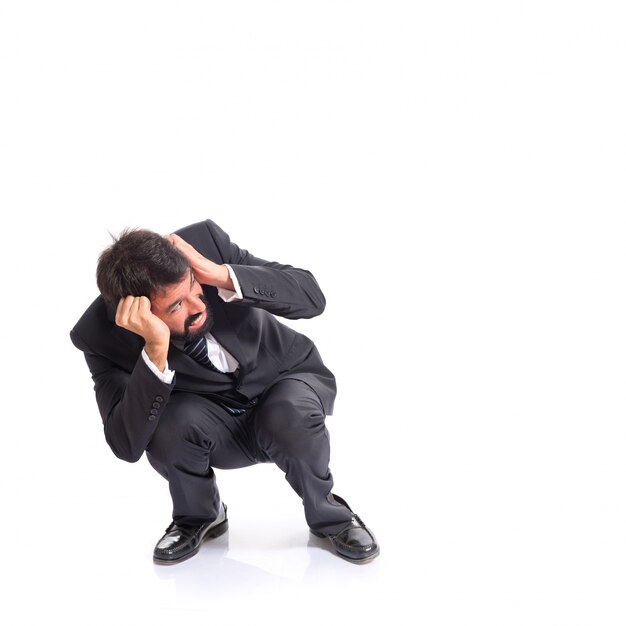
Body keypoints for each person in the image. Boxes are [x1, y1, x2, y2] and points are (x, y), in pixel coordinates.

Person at [70, 218, 379, 565]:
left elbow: (312, 298)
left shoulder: (204, 244)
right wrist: (154, 348)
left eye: (192, 286)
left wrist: (220, 274)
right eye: (175, 307)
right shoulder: (98, 336)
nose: (198, 306)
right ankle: (199, 516)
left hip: (285, 380)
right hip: (214, 422)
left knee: (287, 414)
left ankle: (330, 516)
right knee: (169, 427)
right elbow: (126, 445)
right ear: (138, 313)